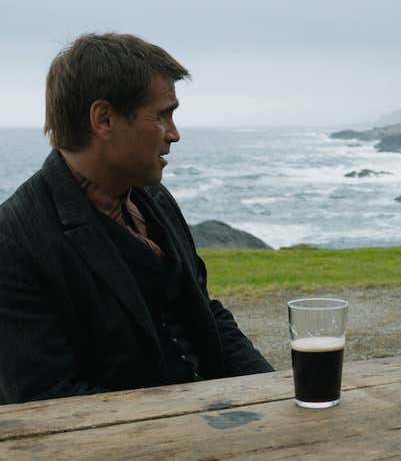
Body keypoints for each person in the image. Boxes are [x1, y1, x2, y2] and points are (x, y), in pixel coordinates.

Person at [0, 33, 274, 405]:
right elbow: (49, 400)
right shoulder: (14, 240)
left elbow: (204, 314)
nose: (174, 134)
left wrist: (273, 394)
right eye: (162, 115)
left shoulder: (154, 198)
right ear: (104, 118)